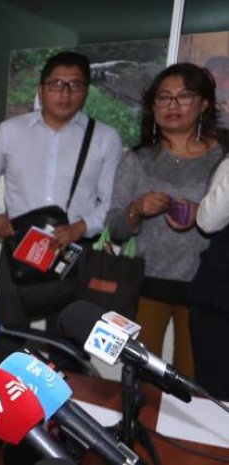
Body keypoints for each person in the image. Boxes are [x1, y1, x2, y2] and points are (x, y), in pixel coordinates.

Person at [0, 51, 123, 337]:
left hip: (73, 253)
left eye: (74, 85)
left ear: (86, 91)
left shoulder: (105, 138)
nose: (64, 93)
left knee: (69, 342)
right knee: (10, 336)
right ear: (41, 90)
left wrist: (80, 227)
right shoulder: (10, 131)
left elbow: (110, 200)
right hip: (19, 249)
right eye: (56, 84)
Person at [105, 63, 227, 380]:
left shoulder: (224, 158)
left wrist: (203, 210)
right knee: (141, 379)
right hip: (147, 285)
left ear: (204, 104)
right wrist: (136, 208)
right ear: (152, 106)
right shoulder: (136, 159)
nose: (173, 106)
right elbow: (116, 228)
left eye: (184, 96)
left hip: (207, 291)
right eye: (163, 97)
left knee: (194, 384)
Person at [188, 153, 229, 400]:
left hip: (218, 298)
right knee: (216, 398)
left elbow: (206, 220)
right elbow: (208, 221)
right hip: (219, 301)